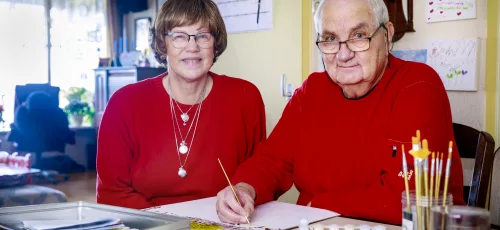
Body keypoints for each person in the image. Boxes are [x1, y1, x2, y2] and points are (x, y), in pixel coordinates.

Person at [215, 0, 465, 225]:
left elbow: (412, 198)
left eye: (359, 35)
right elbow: (272, 161)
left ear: (387, 35)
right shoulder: (311, 91)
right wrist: (244, 188)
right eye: (330, 39)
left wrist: (323, 204)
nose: (343, 54)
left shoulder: (417, 85)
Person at [96, 0, 266, 209]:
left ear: (215, 43)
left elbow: (261, 171)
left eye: (203, 36)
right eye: (179, 36)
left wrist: (243, 194)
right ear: (162, 43)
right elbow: (111, 194)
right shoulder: (123, 104)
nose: (192, 47)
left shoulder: (245, 97)